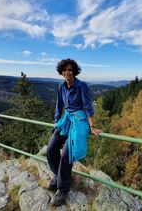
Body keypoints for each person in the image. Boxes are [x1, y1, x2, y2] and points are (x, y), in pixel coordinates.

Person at [47, 58, 101, 206]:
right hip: (66, 119)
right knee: (51, 149)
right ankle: (59, 176)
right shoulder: (61, 87)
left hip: (79, 120)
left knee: (66, 153)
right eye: (64, 70)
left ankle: (63, 189)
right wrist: (56, 122)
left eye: (70, 70)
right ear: (61, 72)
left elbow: (88, 106)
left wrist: (92, 127)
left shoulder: (81, 86)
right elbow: (59, 106)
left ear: (74, 71)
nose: (67, 73)